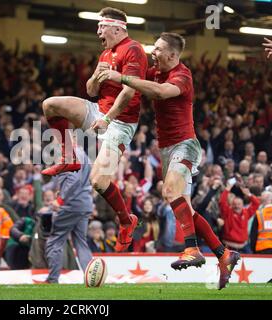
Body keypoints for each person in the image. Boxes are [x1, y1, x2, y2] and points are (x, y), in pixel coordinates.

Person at [97, 32, 240, 289]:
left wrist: (124, 77)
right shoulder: (154, 73)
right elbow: (137, 86)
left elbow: (161, 93)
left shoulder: (182, 75)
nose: (154, 52)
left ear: (173, 55)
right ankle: (224, 255)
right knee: (183, 208)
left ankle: (192, 249)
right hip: (167, 149)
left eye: (159, 49)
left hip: (185, 144)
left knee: (170, 191)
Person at [41, 7, 148, 252]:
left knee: (99, 182)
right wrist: (96, 78)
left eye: (102, 26)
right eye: (98, 26)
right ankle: (69, 158)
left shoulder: (134, 49)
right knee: (50, 105)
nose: (98, 30)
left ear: (118, 28)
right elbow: (90, 91)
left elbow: (129, 92)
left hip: (120, 121)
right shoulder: (105, 54)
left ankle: (126, 220)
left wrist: (108, 119)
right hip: (98, 111)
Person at [45, 146, 94, 283]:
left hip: (71, 204)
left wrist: (60, 200)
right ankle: (91, 278)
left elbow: (73, 180)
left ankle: (53, 279)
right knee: (81, 243)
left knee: (55, 240)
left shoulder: (70, 153)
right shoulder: (83, 153)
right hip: (84, 203)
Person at [219, 181, 260, 253]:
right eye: (235, 204)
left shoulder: (246, 212)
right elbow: (222, 202)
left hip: (244, 246)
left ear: (243, 205)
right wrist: (227, 190)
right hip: (229, 246)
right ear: (231, 205)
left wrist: (249, 194)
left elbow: (256, 203)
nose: (237, 206)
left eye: (239, 204)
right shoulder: (227, 212)